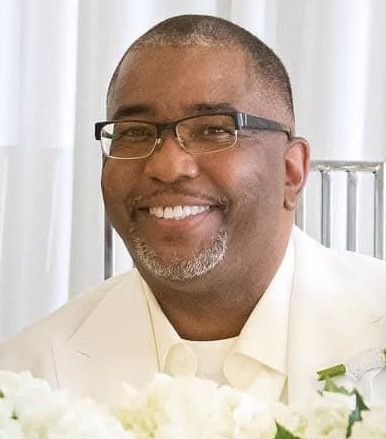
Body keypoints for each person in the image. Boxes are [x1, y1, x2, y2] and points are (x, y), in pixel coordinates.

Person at [0, 15, 385, 406]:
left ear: (291, 171)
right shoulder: (27, 379)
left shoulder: (377, 321)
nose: (167, 167)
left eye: (214, 129)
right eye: (134, 131)